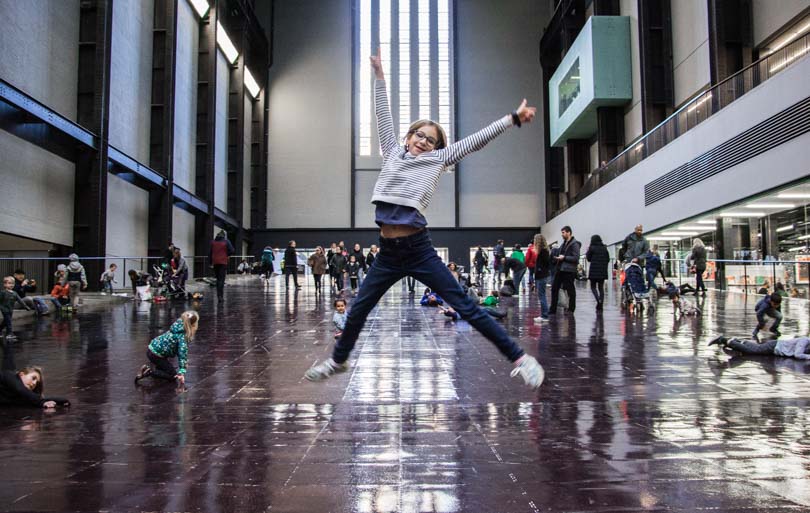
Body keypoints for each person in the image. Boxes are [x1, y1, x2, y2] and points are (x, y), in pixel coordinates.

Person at [304, 48, 543, 388]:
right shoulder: (392, 153)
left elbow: (476, 141)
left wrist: (512, 119)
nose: (424, 141)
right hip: (387, 253)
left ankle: (521, 358)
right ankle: (339, 361)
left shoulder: (439, 160)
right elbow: (382, 115)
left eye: (431, 139)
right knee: (358, 309)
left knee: (467, 307)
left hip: (418, 249)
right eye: (419, 135)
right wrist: (379, 75)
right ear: (408, 136)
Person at [134, 310, 199, 386]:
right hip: (156, 355)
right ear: (192, 325)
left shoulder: (177, 326)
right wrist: (182, 372)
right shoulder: (182, 337)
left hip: (152, 349)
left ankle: (157, 371)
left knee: (164, 368)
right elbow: (182, 354)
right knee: (173, 376)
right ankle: (149, 372)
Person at [0, 341, 69, 408]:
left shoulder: (18, 397)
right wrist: (41, 402)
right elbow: (20, 389)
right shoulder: (9, 376)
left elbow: (39, 399)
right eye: (33, 378)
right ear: (22, 374)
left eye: (36, 382)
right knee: (8, 357)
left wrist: (61, 401)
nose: (34, 383)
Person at [549, 226, 581, 315]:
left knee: (570, 290)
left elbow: (576, 258)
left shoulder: (574, 244)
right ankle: (553, 309)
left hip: (569, 270)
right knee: (554, 288)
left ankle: (571, 308)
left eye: (563, 232)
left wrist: (564, 257)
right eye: (562, 232)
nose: (562, 234)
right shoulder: (564, 243)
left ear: (569, 232)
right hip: (561, 269)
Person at [708, 335, 810, 360]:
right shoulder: (804, 341)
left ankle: (738, 341)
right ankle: (725, 340)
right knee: (751, 351)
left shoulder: (806, 343)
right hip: (774, 346)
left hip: (775, 348)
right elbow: (797, 355)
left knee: (755, 348)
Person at [585, 234, 609, 311]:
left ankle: (598, 300)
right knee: (601, 288)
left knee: (593, 287)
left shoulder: (592, 248)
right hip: (602, 271)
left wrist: (587, 251)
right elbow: (608, 259)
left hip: (594, 271)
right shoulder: (604, 248)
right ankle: (601, 304)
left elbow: (588, 258)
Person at [210, 230, 235, 302]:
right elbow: (232, 250)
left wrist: (210, 263)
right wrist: (227, 254)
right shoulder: (226, 241)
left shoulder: (213, 242)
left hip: (215, 262)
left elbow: (210, 253)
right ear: (224, 235)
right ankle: (220, 297)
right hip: (223, 262)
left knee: (218, 279)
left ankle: (219, 295)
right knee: (221, 280)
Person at [532, 234, 551, 323]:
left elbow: (546, 264)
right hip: (541, 275)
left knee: (542, 295)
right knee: (541, 295)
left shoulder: (543, 252)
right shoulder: (544, 251)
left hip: (541, 276)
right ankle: (544, 315)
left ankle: (544, 316)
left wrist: (539, 270)